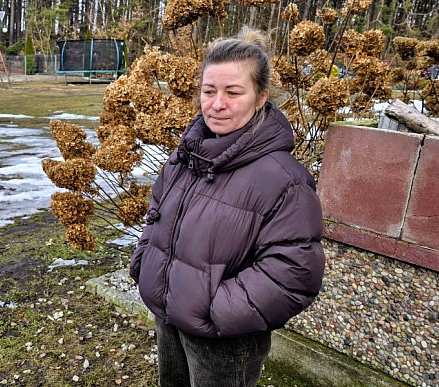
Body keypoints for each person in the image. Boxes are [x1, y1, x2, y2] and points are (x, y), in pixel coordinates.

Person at [129, 26, 326, 387]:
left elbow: (294, 270)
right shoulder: (186, 156)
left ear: (261, 96)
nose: (217, 104)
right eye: (209, 91)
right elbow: (157, 213)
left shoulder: (283, 178)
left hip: (223, 338)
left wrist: (214, 309)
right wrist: (145, 266)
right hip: (169, 316)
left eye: (233, 93)